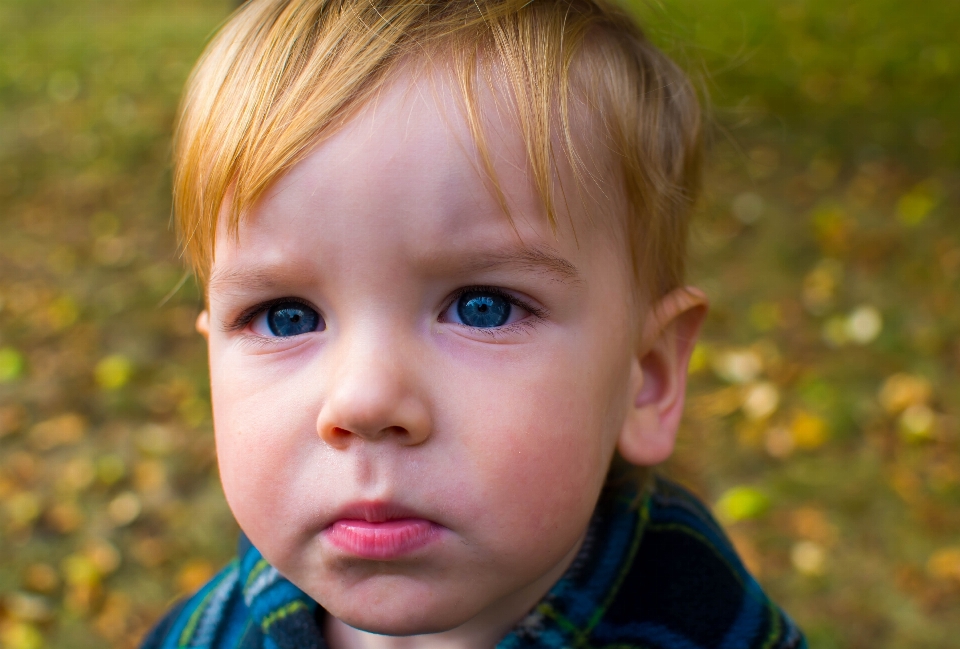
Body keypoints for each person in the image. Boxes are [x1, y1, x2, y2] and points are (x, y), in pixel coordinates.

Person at [142, 0, 806, 647]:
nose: (365, 400)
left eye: (481, 306)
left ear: (647, 376)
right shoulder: (206, 630)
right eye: (285, 317)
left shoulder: (710, 627)